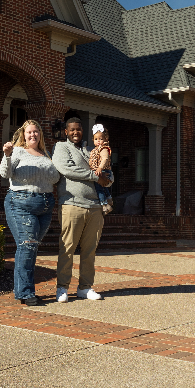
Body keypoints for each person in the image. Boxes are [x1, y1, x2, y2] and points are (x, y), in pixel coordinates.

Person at [0, 119, 60, 306]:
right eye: (29, 132)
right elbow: (4, 173)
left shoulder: (46, 154)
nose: (33, 135)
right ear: (23, 135)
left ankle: (25, 290)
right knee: (27, 246)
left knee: (31, 248)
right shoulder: (17, 151)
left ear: (40, 134)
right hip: (21, 203)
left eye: (36, 131)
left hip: (45, 205)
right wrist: (7, 155)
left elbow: (55, 178)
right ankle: (25, 293)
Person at [52, 117, 111, 303]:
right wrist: (95, 177)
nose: (75, 132)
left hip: (94, 206)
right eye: (72, 130)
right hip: (72, 204)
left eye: (78, 129)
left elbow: (106, 169)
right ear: (66, 132)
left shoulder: (91, 149)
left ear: (82, 130)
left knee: (89, 251)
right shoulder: (61, 147)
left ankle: (85, 287)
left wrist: (108, 178)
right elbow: (67, 169)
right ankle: (62, 287)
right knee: (67, 248)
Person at [88, 124, 114, 215]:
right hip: (99, 170)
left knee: (99, 188)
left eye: (101, 139)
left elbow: (105, 159)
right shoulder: (95, 149)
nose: (98, 141)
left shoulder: (103, 149)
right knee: (103, 186)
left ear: (106, 139)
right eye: (96, 139)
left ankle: (104, 205)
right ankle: (109, 198)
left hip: (103, 170)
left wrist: (100, 168)